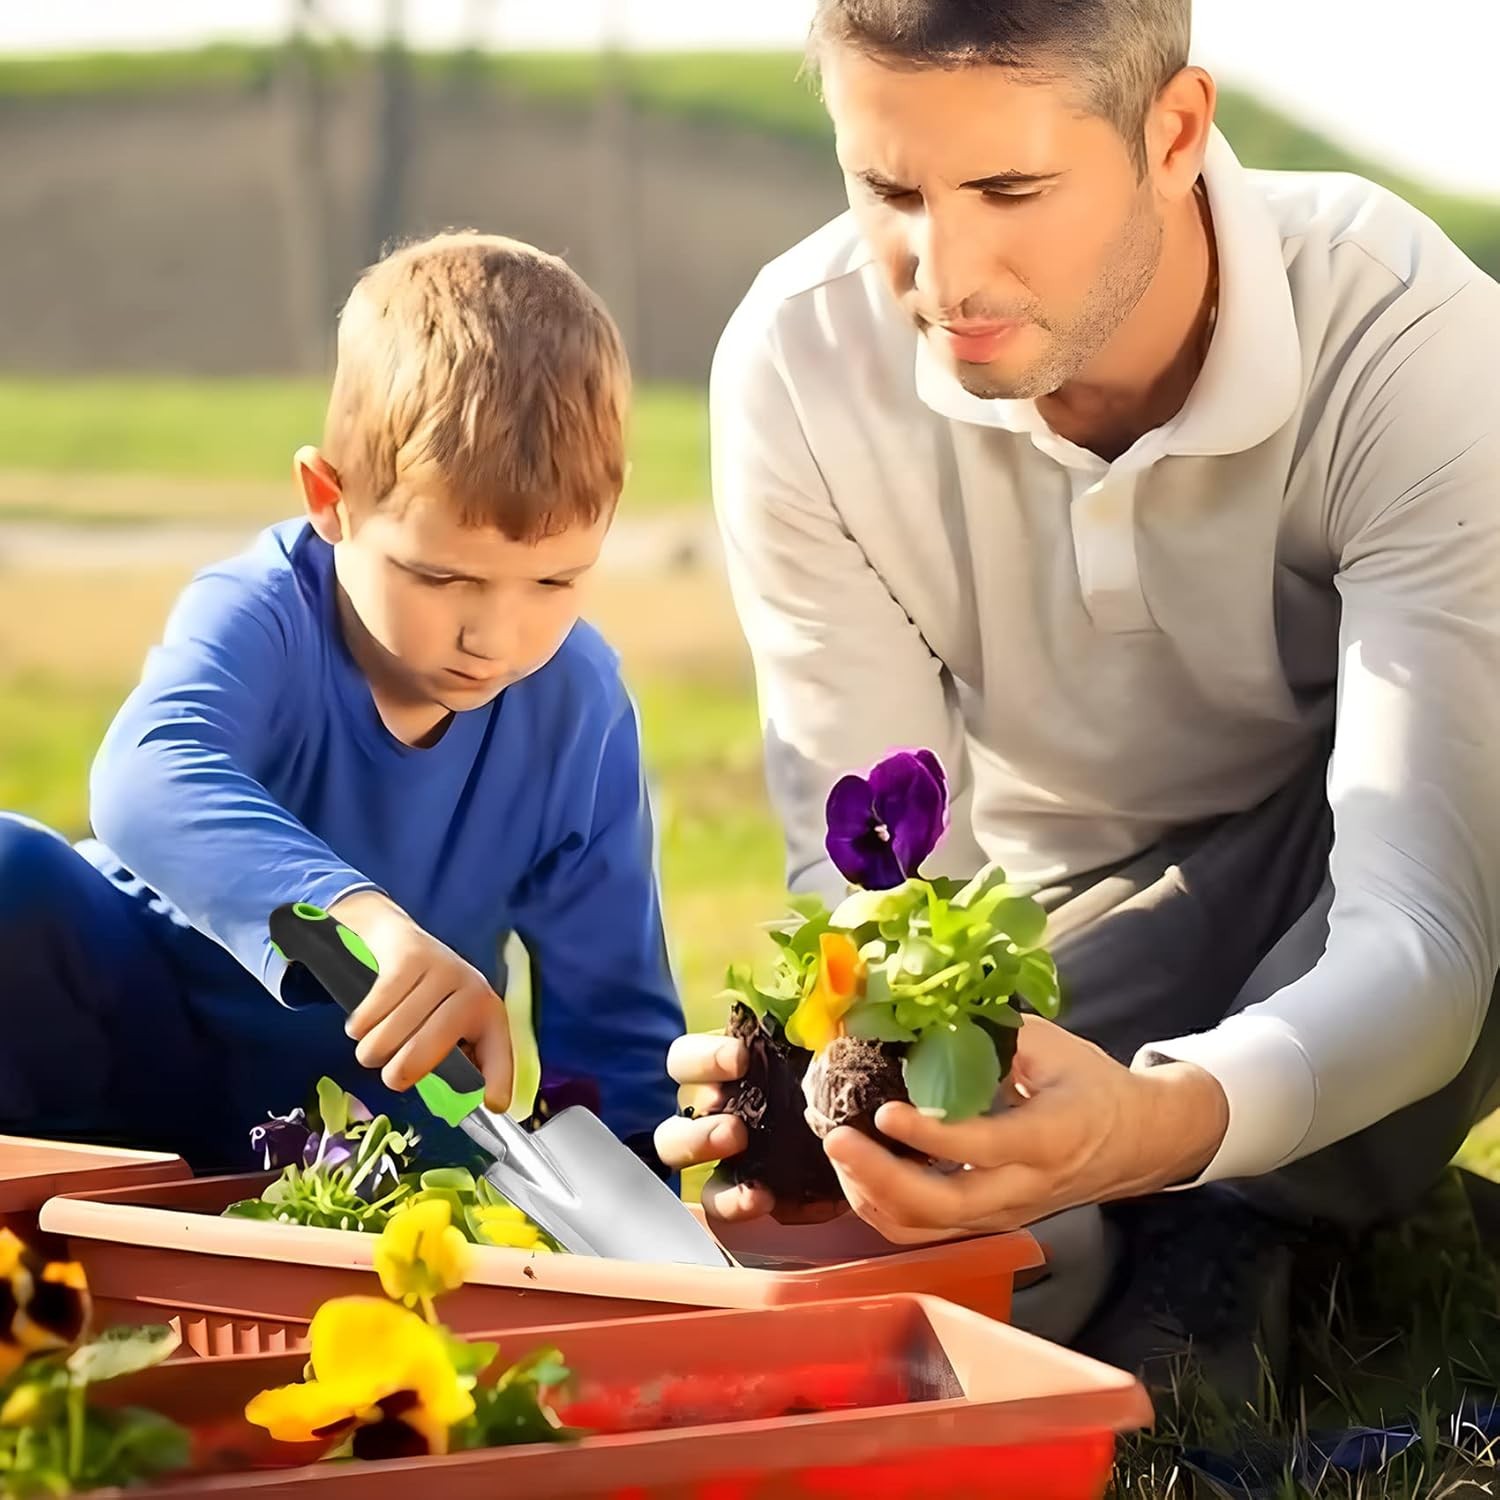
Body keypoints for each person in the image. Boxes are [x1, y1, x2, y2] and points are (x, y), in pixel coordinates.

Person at [657, 0, 1500, 1390]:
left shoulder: (1408, 336)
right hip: (1074, 943)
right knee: (851, 1246)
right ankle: (1192, 1229)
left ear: (1172, 134)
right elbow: (879, 886)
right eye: (891, 190)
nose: (946, 272)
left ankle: (1251, 1214)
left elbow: (1432, 926)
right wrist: (821, 1114)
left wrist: (1149, 1129)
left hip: (1377, 878)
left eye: (1011, 189)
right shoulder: (800, 367)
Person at [0, 231, 682, 1173]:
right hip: (131, 1044)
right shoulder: (264, 610)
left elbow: (613, 1029)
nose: (495, 635)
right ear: (330, 499)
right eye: (442, 577)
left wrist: (643, 1218)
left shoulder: (580, 709)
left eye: (555, 583)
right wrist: (360, 919)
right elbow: (144, 776)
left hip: (361, 1124)